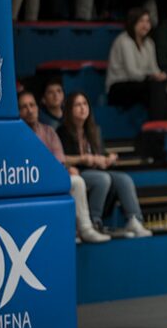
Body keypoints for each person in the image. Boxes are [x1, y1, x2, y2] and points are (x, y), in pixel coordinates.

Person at [57, 92, 152, 238]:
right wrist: (83, 159)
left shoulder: (94, 130)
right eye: (77, 105)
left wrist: (107, 159)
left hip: (95, 170)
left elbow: (99, 154)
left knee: (124, 179)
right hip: (77, 172)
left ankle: (134, 220)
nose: (82, 108)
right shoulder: (61, 132)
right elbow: (60, 158)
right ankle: (95, 222)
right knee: (102, 179)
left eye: (85, 104)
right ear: (69, 109)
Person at [19, 91, 110, 243]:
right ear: (18, 112)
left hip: (50, 178)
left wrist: (64, 169)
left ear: (38, 108)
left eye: (32, 105)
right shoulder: (16, 135)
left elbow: (59, 161)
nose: (29, 110)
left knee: (77, 181)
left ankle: (85, 229)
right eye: (24, 107)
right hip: (28, 182)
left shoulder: (49, 131)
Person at [106, 8, 167, 120]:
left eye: (147, 21)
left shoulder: (149, 43)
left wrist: (163, 79)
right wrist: (152, 77)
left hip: (141, 84)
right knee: (156, 88)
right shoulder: (124, 41)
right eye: (141, 21)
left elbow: (154, 68)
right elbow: (132, 73)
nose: (145, 25)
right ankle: (156, 126)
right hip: (119, 86)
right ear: (132, 23)